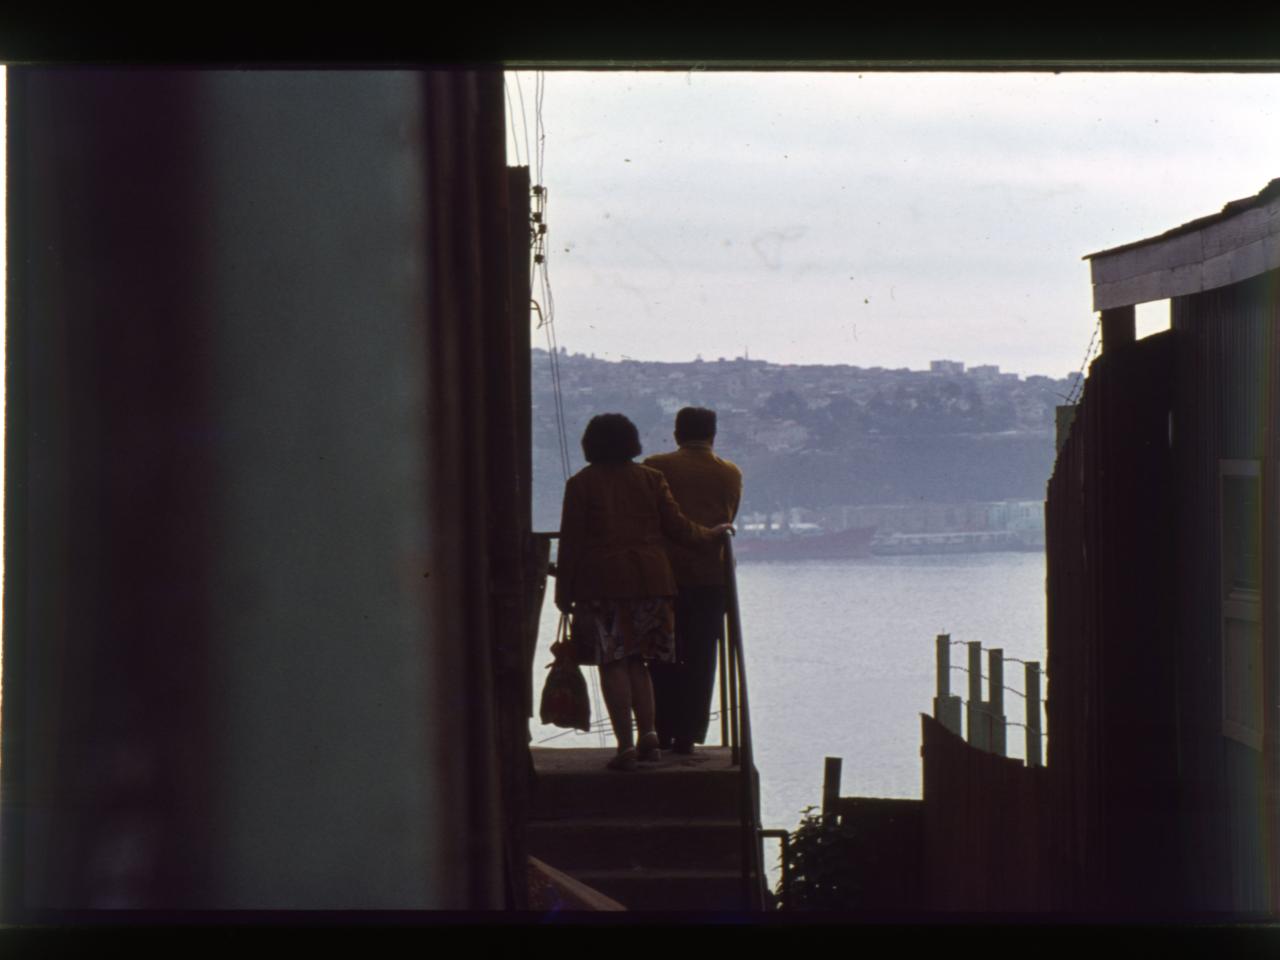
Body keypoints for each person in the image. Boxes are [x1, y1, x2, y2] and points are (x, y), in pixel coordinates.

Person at [555, 413, 733, 772]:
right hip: (653, 581)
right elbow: (679, 528)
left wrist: (564, 592)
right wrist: (712, 533)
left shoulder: (581, 484)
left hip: (602, 583)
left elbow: (572, 544)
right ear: (631, 442)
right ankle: (649, 735)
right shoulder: (651, 479)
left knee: (612, 662)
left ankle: (625, 745)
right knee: (639, 662)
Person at [643, 407, 743, 755]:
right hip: (712, 577)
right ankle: (689, 733)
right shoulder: (730, 473)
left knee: (660, 656)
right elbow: (729, 517)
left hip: (663, 576)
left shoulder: (655, 466)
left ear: (676, 434)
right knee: (701, 658)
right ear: (713, 435)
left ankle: (660, 730)